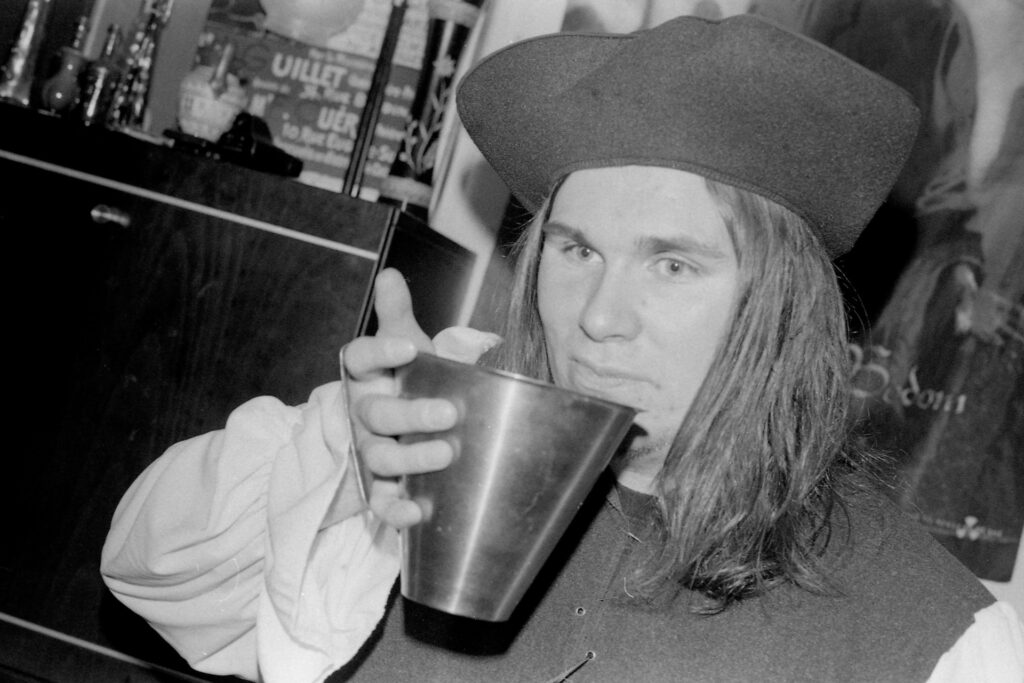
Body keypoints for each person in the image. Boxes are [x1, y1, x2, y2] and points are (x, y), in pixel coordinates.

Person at [100, 13, 1024, 683]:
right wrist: (346, 459)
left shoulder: (941, 641)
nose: (598, 317)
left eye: (671, 265)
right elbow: (145, 571)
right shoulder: (430, 422)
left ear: (776, 311)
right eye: (577, 251)